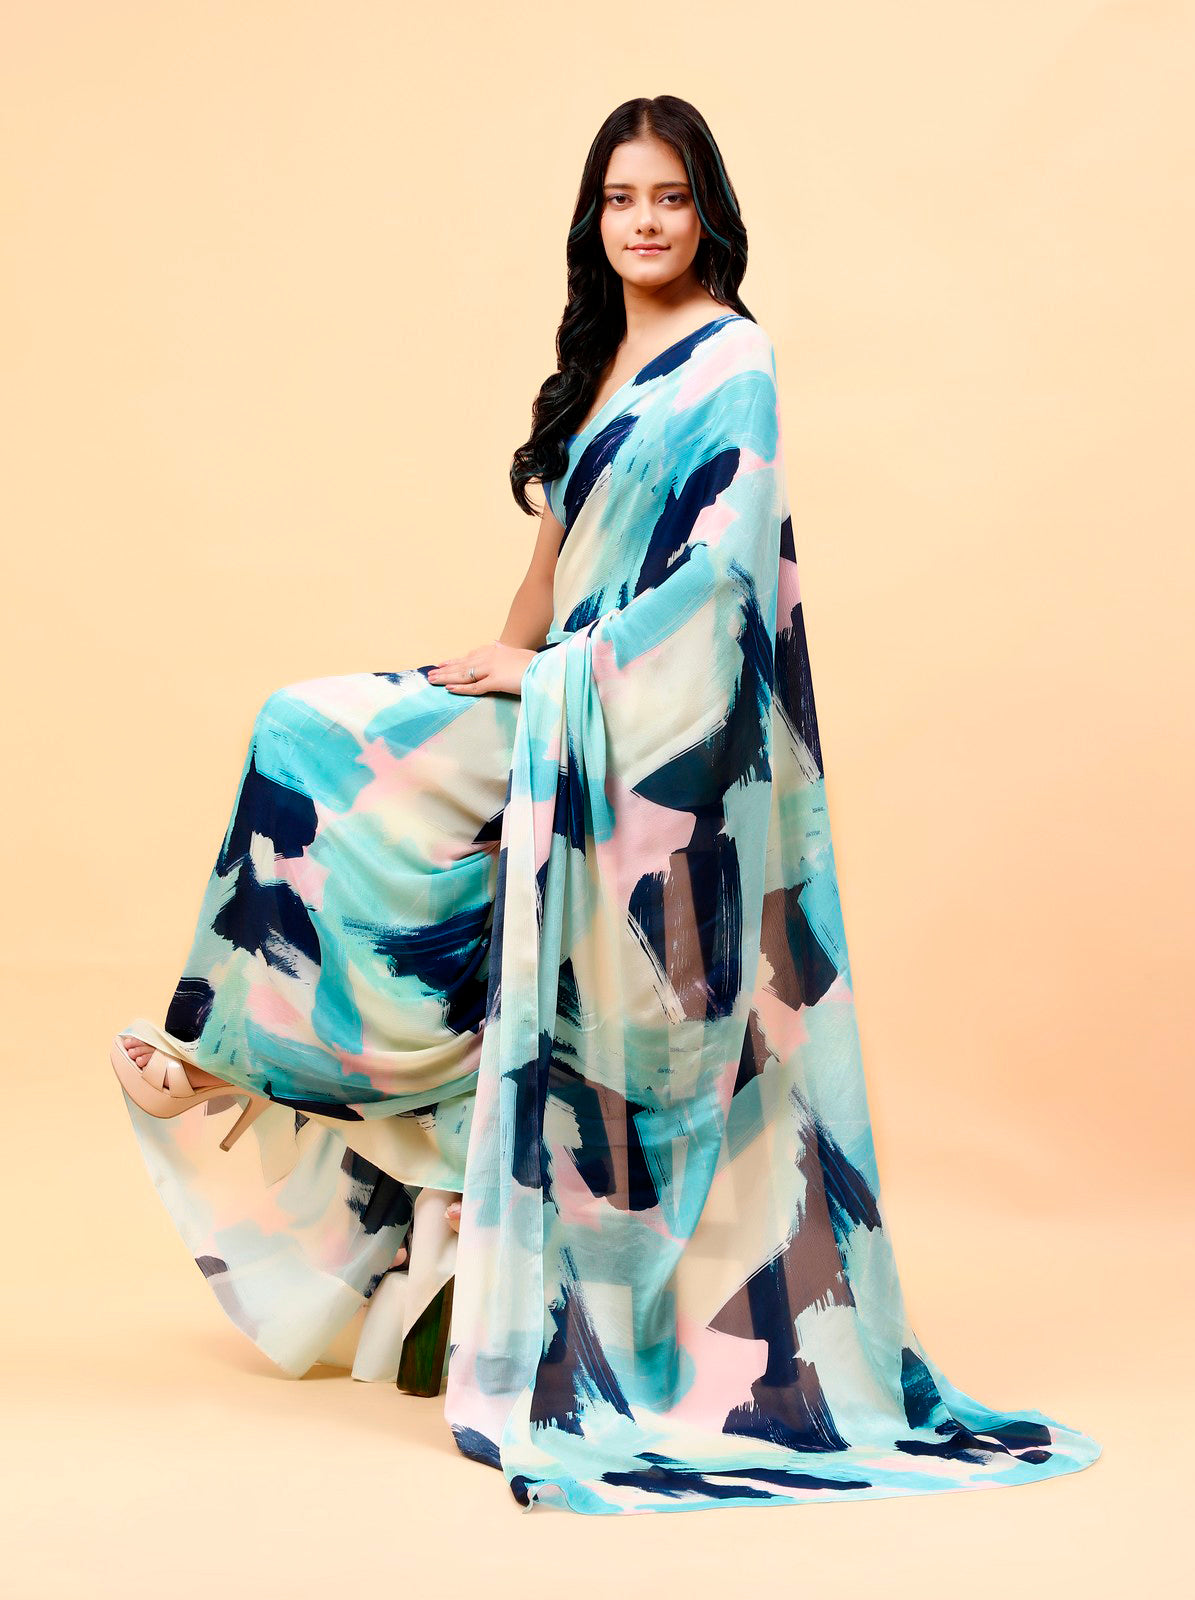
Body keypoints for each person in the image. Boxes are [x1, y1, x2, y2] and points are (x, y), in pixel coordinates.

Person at [110, 95, 1102, 1514]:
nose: (645, 220)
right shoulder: (596, 363)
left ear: (708, 214)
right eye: (622, 197)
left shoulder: (735, 361)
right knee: (314, 736)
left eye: (670, 196)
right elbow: (552, 562)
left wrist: (556, 680)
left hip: (655, 736)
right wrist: (495, 669)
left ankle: (272, 1086)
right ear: (593, 219)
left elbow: (718, 598)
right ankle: (255, 1058)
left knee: (499, 901)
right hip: (564, 698)